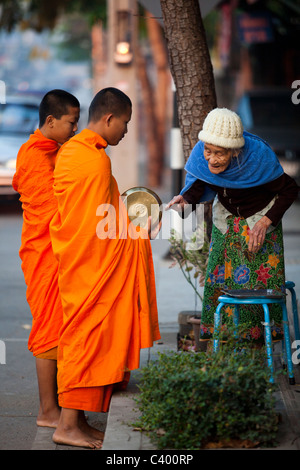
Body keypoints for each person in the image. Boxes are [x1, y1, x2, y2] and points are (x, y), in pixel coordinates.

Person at [49, 87, 161, 449]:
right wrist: (137, 232)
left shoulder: (76, 151)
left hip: (79, 264)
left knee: (85, 341)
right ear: (109, 119)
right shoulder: (94, 160)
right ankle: (66, 427)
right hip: (91, 270)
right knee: (89, 341)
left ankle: (77, 421)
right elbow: (98, 228)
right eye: (124, 123)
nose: (125, 131)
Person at [167, 107, 299, 346]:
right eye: (208, 151)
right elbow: (199, 184)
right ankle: (225, 342)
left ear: (236, 152)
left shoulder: (258, 158)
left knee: (256, 288)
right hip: (226, 221)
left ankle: (256, 345)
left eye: (220, 153)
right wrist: (185, 199)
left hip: (260, 222)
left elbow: (290, 189)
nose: (212, 159)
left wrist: (265, 221)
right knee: (220, 282)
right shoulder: (202, 155)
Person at [12, 90, 80, 428]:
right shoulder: (36, 157)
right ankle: (47, 412)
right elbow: (54, 211)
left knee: (61, 327)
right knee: (48, 329)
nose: (74, 129)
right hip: (44, 253)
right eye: (71, 122)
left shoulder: (50, 150)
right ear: (51, 121)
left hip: (54, 251)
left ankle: (62, 403)